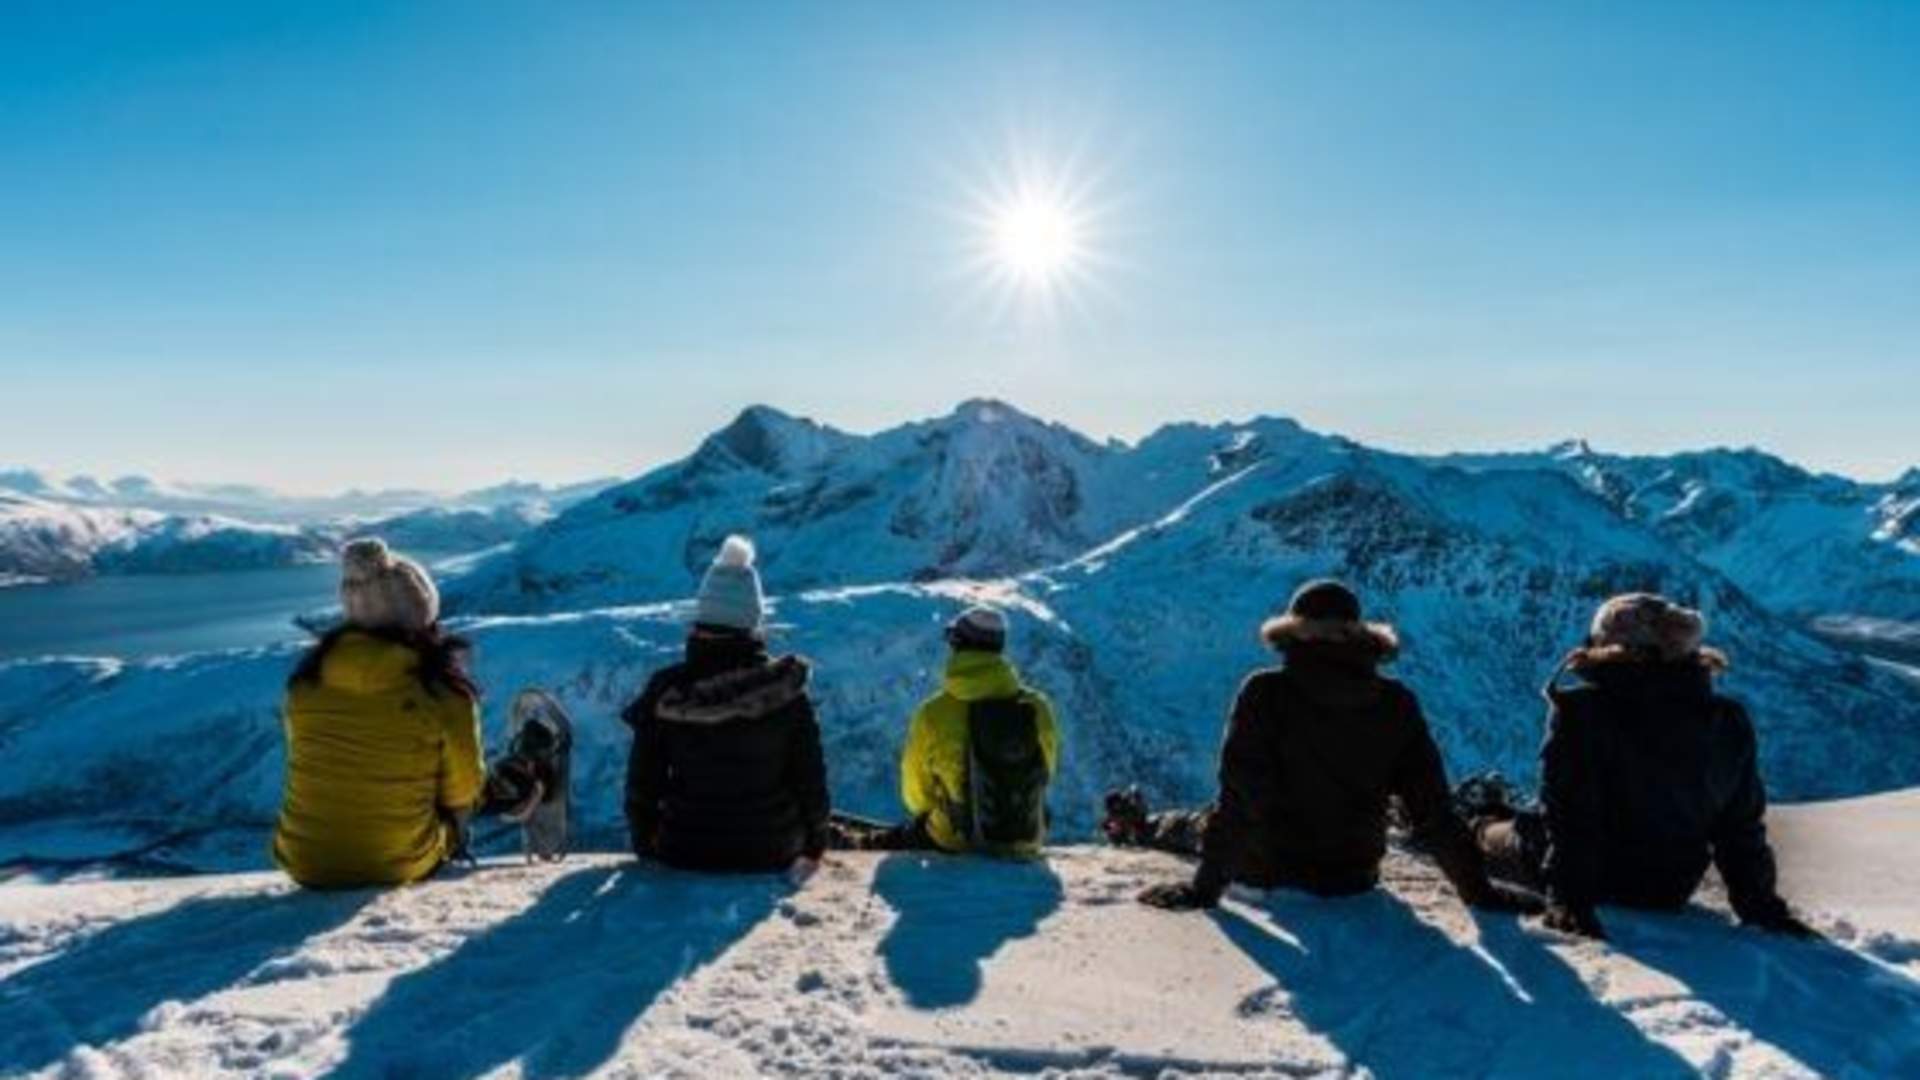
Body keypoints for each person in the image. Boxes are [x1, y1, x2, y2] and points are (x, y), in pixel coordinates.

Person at [1117, 580, 1539, 914]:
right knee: (1204, 823)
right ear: (1359, 635)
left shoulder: (1265, 693)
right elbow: (1432, 811)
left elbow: (1241, 800)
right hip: (1352, 872)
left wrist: (1204, 890)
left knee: (1194, 825)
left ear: (1293, 632)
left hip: (1265, 867)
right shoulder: (1395, 702)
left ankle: (1139, 826)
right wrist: (1477, 891)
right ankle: (1146, 825)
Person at [1472, 593, 1812, 940]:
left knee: (1493, 834)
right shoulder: (1728, 719)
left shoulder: (1583, 711)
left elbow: (1571, 817)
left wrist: (1569, 900)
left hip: (1597, 879)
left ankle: (1476, 823)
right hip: (1668, 888)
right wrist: (1762, 907)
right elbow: (1740, 828)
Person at [274, 538, 538, 888]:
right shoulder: (441, 691)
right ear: (422, 614)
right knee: (484, 783)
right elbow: (463, 793)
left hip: (303, 863)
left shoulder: (305, 685)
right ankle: (531, 784)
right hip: (397, 864)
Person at [622, 535, 830, 874]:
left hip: (684, 848)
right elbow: (810, 780)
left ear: (701, 618)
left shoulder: (667, 690)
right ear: (754, 620)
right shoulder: (785, 689)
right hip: (773, 849)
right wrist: (816, 843)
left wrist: (647, 844)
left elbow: (643, 783)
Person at [835, 607, 1060, 857]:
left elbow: (915, 792)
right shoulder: (1038, 707)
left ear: (957, 644)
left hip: (953, 839)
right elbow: (1046, 771)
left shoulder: (934, 712)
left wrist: (940, 815)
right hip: (1026, 837)